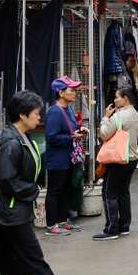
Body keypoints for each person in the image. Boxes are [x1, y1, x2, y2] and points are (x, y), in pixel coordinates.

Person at [0, 90, 67, 275]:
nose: (39, 117)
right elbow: (7, 180)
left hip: (12, 210)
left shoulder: (21, 137)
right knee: (36, 263)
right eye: (36, 113)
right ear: (22, 115)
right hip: (12, 212)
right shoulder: (12, 142)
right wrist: (32, 190)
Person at [93, 87, 138, 241]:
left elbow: (104, 134)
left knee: (109, 193)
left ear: (125, 98)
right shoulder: (135, 114)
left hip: (117, 159)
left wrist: (106, 117)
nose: (115, 100)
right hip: (131, 158)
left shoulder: (119, 116)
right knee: (123, 192)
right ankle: (124, 225)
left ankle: (111, 229)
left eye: (117, 97)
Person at [44, 76, 87, 236]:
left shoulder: (67, 108)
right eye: (71, 90)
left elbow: (70, 130)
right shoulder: (55, 111)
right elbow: (51, 137)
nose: (74, 93)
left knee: (65, 190)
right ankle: (51, 225)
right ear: (61, 92)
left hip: (67, 158)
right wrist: (72, 137)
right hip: (57, 160)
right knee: (55, 191)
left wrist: (78, 132)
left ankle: (62, 220)